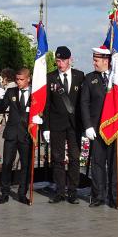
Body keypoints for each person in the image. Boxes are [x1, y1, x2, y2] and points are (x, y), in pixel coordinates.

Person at [80, 47, 118, 208]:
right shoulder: (89, 79)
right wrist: (87, 125)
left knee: (115, 165)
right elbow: (84, 103)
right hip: (96, 129)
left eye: (96, 60)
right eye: (94, 60)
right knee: (98, 164)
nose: (93, 63)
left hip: (116, 128)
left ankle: (115, 197)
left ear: (106, 61)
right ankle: (98, 196)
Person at [42, 46, 85, 204]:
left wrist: (86, 124)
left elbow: (83, 102)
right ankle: (59, 191)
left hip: (75, 125)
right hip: (56, 124)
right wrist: (45, 127)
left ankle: (73, 191)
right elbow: (46, 104)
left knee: (74, 158)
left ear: (70, 60)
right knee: (57, 158)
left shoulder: (80, 76)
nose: (60, 64)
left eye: (63, 61)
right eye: (58, 61)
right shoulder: (50, 77)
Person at [0, 67, 33, 205]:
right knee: (7, 164)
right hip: (11, 133)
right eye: (17, 79)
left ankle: (22, 193)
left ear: (28, 79)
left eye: (21, 79)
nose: (19, 82)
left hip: (26, 134)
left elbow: (41, 110)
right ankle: (4, 193)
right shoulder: (11, 91)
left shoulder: (35, 93)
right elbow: (2, 107)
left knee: (25, 165)